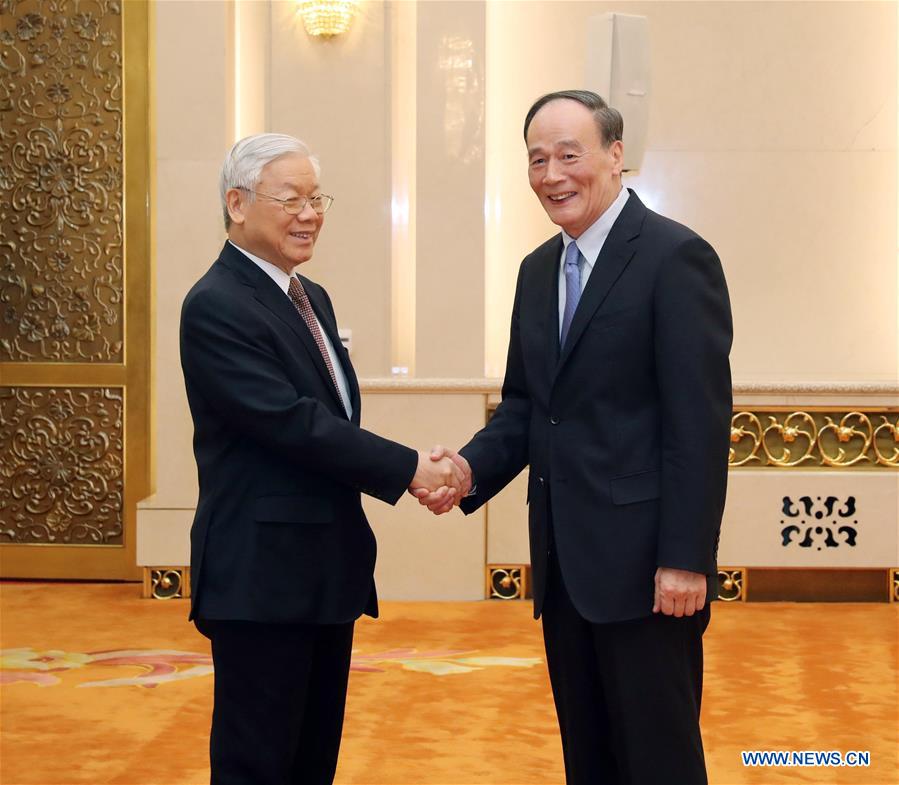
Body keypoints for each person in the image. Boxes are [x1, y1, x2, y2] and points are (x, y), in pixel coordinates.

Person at [418, 90, 732, 784]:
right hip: (563, 567)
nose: (551, 174)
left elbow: (698, 425)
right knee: (587, 756)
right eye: (537, 159)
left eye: (569, 154)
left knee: (658, 757)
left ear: (615, 156)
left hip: (650, 572)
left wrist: (685, 557)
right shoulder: (536, 272)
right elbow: (527, 407)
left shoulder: (675, 258)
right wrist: (468, 469)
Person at [179, 132, 463, 785]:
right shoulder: (216, 304)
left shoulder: (310, 297)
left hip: (321, 573)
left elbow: (328, 423)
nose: (310, 214)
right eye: (291, 199)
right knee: (258, 763)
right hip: (260, 578)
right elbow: (291, 424)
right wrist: (411, 467)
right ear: (237, 203)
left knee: (310, 762)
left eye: (317, 198)